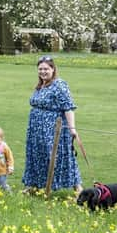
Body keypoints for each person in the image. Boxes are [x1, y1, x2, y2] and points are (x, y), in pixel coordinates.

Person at [22, 56, 83, 195]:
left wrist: (72, 128)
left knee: (60, 157)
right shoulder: (40, 85)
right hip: (36, 129)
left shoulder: (59, 85)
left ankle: (78, 189)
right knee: (36, 155)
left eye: (46, 69)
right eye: (40, 69)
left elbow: (68, 107)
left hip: (53, 129)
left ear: (53, 69)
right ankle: (34, 185)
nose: (43, 72)